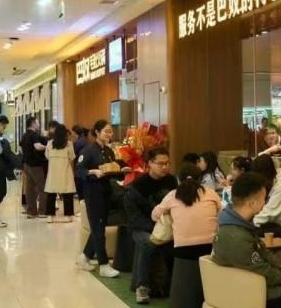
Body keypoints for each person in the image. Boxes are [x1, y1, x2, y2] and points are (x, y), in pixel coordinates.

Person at [212, 172, 281, 308]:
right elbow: (264, 271)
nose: (265, 203)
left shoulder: (232, 225)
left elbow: (264, 258)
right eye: (264, 198)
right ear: (253, 203)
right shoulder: (237, 238)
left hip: (247, 287)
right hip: (260, 294)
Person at [152, 163, 222, 308]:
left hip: (182, 250)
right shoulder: (211, 193)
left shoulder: (172, 195)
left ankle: (169, 289)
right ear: (200, 179)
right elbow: (221, 212)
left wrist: (169, 212)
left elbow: (154, 215)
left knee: (163, 249)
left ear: (179, 179)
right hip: (209, 248)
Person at [75, 119, 130, 278]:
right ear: (97, 132)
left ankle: (84, 257)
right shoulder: (88, 150)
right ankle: (104, 265)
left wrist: (121, 171)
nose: (109, 134)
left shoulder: (108, 151)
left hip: (106, 192)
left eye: (110, 131)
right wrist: (92, 172)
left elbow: (111, 171)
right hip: (93, 194)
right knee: (99, 230)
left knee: (99, 227)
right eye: (106, 131)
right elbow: (79, 170)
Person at [124, 147, 178, 303]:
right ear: (149, 164)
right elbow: (134, 216)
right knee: (149, 243)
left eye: (167, 163)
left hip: (168, 225)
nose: (165, 167)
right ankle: (142, 287)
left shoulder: (172, 181)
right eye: (161, 163)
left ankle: (176, 285)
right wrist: (154, 227)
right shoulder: (137, 186)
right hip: (142, 227)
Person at [249, 155, 281, 237]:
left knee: (250, 232)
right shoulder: (268, 183)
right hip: (270, 221)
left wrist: (248, 224)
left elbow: (269, 213)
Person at [44, 123, 76, 223]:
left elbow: (46, 156)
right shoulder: (69, 144)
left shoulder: (49, 143)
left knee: (51, 193)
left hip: (53, 172)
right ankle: (68, 215)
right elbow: (72, 157)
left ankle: (50, 216)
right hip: (65, 171)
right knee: (68, 193)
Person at [20, 117, 48, 219]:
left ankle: (31, 212)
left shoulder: (24, 135)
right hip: (36, 165)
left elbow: (21, 148)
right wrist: (47, 147)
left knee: (30, 189)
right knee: (42, 188)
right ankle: (42, 211)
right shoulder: (34, 135)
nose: (39, 124)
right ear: (33, 124)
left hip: (26, 165)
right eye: (37, 122)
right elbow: (37, 146)